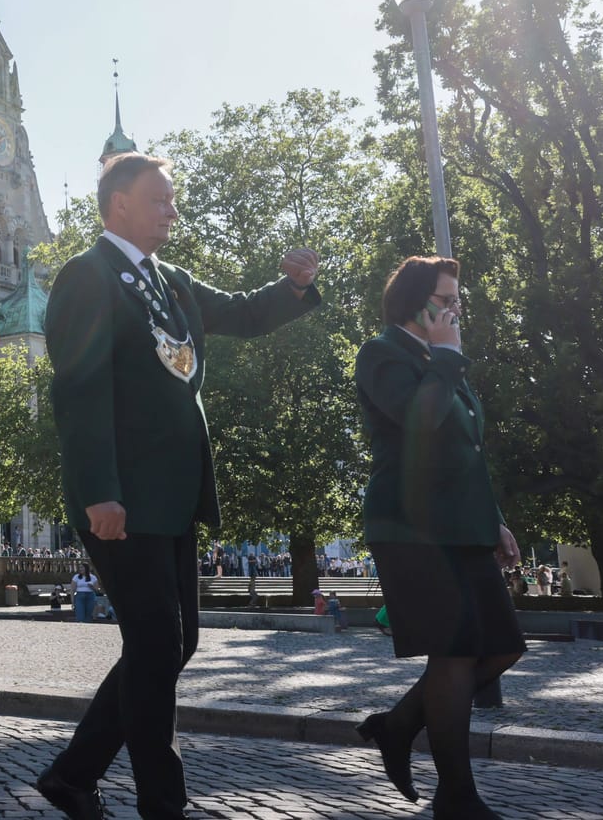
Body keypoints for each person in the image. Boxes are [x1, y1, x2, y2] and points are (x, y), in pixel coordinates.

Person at [39, 151, 321, 819]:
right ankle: (162, 803)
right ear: (119, 205)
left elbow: (246, 314)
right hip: (122, 496)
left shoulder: (173, 280)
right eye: (160, 199)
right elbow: (80, 390)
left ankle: (73, 775)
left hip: (171, 493)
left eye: (173, 198)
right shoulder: (86, 277)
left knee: (173, 642)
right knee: (157, 641)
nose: (173, 209)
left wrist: (296, 285)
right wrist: (99, 490)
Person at [351, 256, 525, 820]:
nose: (454, 311)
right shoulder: (383, 354)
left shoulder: (440, 361)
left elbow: (465, 451)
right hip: (411, 527)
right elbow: (420, 422)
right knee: (452, 655)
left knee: (501, 647)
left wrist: (493, 519)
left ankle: (398, 726)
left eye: (457, 302)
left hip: (463, 525)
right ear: (413, 302)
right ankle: (457, 797)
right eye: (445, 301)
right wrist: (446, 359)